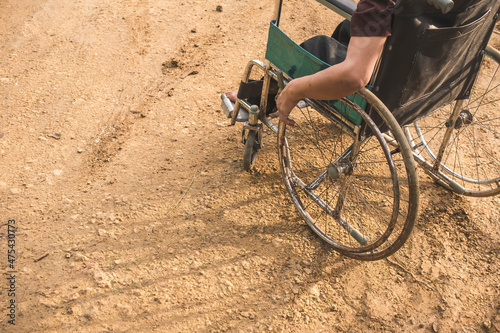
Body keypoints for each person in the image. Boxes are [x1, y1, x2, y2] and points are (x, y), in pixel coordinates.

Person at [227, 0, 395, 126]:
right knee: (348, 28)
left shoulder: (379, 5)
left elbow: (355, 77)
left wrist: (295, 89)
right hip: (402, 97)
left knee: (319, 47)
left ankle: (259, 98)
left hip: (375, 101)